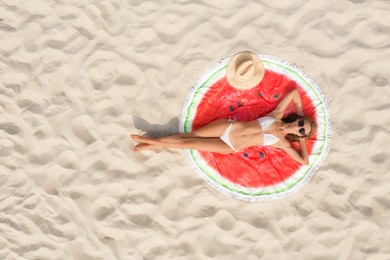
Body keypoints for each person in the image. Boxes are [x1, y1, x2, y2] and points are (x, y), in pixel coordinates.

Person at [130, 52, 316, 165]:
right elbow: (293, 93)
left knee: (188, 143)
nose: (298, 127)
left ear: (300, 135)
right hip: (228, 127)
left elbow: (304, 161)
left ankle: (152, 142)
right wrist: (300, 114)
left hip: (229, 146)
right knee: (190, 136)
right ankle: (150, 142)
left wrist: (302, 140)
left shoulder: (282, 143)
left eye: (301, 131)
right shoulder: (277, 115)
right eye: (301, 123)